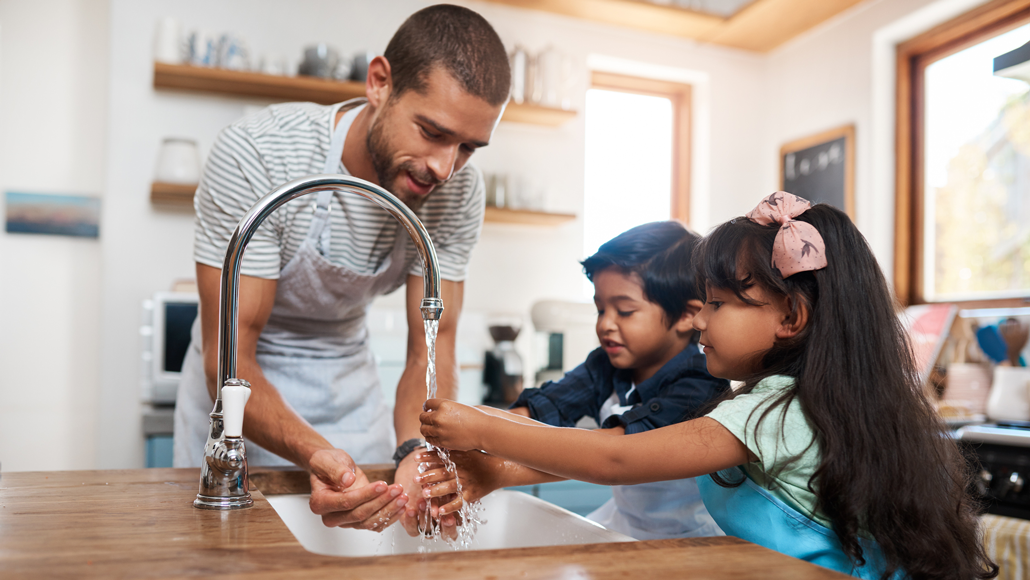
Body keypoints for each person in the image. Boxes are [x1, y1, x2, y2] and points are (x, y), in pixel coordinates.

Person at [420, 193, 998, 579]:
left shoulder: (769, 412)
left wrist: (481, 428)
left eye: (718, 304)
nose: (701, 321)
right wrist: (493, 463)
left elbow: (616, 457)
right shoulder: (807, 404)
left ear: (790, 317)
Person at [172, 4, 510, 537]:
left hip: (349, 391)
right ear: (379, 83)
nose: (445, 168)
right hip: (237, 401)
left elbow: (431, 348)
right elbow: (230, 356)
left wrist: (417, 451)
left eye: (468, 148)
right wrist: (316, 452)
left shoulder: (457, 193)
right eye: (431, 132)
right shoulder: (260, 154)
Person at [416, 221, 729, 540]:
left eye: (624, 311)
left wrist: (490, 453)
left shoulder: (700, 381)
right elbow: (539, 413)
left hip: (693, 538)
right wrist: (464, 437)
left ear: (687, 316)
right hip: (625, 523)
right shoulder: (606, 365)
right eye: (600, 309)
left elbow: (612, 453)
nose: (605, 324)